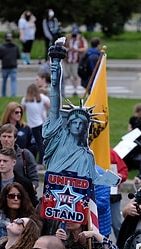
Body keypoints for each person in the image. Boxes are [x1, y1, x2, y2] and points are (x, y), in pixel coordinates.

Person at [43, 42, 116, 186]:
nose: (77, 126)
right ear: (68, 125)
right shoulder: (59, 138)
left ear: (85, 128)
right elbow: (55, 100)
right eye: (74, 122)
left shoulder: (87, 155)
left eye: (81, 123)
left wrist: (110, 179)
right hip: (54, 198)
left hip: (76, 202)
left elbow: (94, 179)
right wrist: (56, 71)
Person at [0, 147, 37, 222]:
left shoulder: (25, 184)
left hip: (18, 224)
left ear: (14, 162)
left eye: (5, 161)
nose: (1, 164)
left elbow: (32, 208)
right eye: (0, 161)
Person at [0, 124, 38, 189]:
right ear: (0, 137)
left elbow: (34, 180)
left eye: (9, 137)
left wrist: (26, 192)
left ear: (15, 138)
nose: (6, 139)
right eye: (4, 136)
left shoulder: (25, 155)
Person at [22, 83, 49, 167]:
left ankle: (40, 162)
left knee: (38, 143)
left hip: (32, 125)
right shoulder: (41, 98)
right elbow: (48, 105)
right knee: (42, 142)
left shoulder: (25, 100)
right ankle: (44, 159)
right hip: (41, 123)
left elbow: (24, 110)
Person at [65, 25, 88, 97]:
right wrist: (67, 49)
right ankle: (63, 89)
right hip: (67, 60)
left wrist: (77, 50)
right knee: (65, 76)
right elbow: (62, 46)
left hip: (76, 60)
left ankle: (75, 90)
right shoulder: (67, 38)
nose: (74, 36)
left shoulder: (81, 39)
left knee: (75, 76)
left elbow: (85, 48)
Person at [0, 33, 21, 97]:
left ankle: (3, 94)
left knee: (4, 81)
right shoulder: (15, 46)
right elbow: (18, 56)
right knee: (13, 81)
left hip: (5, 66)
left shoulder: (1, 46)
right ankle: (13, 94)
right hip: (13, 65)